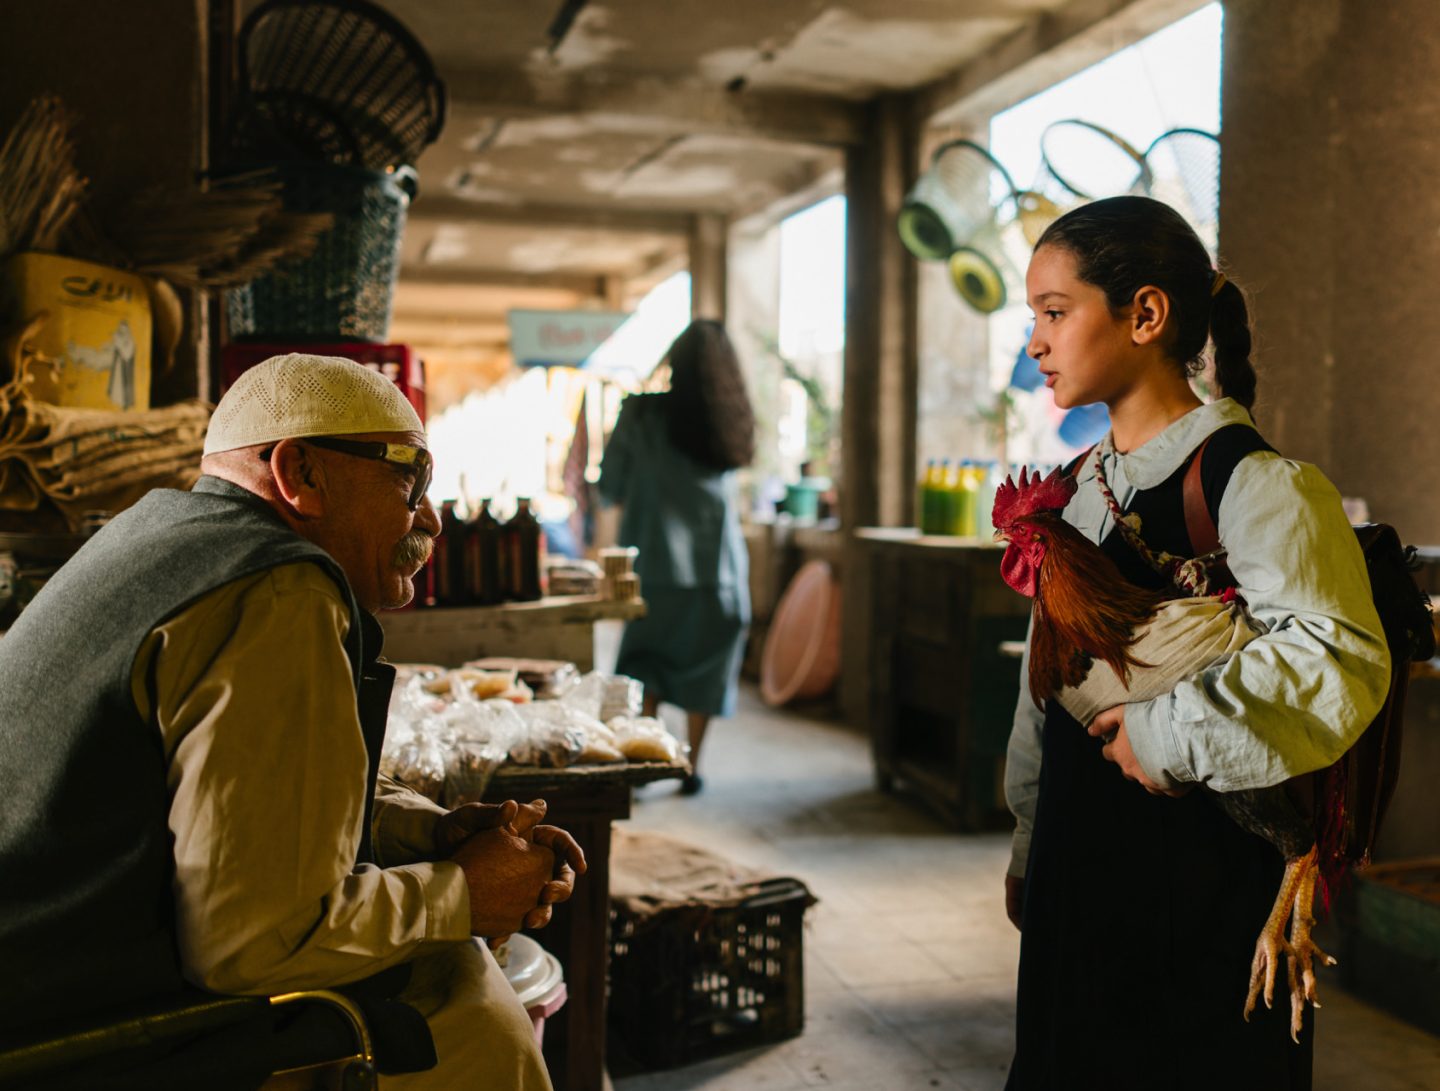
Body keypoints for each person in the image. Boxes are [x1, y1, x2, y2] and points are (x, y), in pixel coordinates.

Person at [0, 354, 584, 1090]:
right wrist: (464, 892)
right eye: (411, 478)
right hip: (74, 1037)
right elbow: (251, 942)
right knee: (468, 1006)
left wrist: (425, 831)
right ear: (300, 473)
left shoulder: (150, 533)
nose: (430, 516)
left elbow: (234, 794)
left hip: (46, 984)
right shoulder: (278, 591)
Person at [1001, 197, 1391, 1090]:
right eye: (1035, 317)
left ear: (1145, 314)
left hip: (1202, 873)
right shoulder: (1075, 490)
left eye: (1055, 312)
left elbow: (1338, 656)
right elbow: (1046, 682)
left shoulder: (1257, 485)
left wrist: (1164, 735)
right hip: (1079, 861)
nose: (1036, 341)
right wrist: (1031, 839)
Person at [597, 320, 754, 795]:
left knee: (646, 666)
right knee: (708, 670)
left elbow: (610, 486)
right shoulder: (730, 420)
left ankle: (648, 762)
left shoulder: (641, 415)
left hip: (657, 569)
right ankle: (690, 764)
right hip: (720, 573)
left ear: (674, 362)